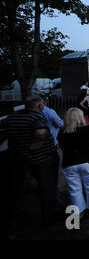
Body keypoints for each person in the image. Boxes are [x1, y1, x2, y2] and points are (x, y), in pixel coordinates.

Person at [0, 96, 64, 224]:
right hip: (44, 159)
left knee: (25, 186)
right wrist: (42, 139)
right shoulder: (36, 117)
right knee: (48, 187)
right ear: (40, 106)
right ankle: (49, 216)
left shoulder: (12, 118)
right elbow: (41, 133)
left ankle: (18, 214)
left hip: (24, 158)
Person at [58, 108, 89, 219]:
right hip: (88, 161)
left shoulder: (62, 132)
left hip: (70, 163)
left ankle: (79, 213)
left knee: (74, 189)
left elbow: (62, 148)